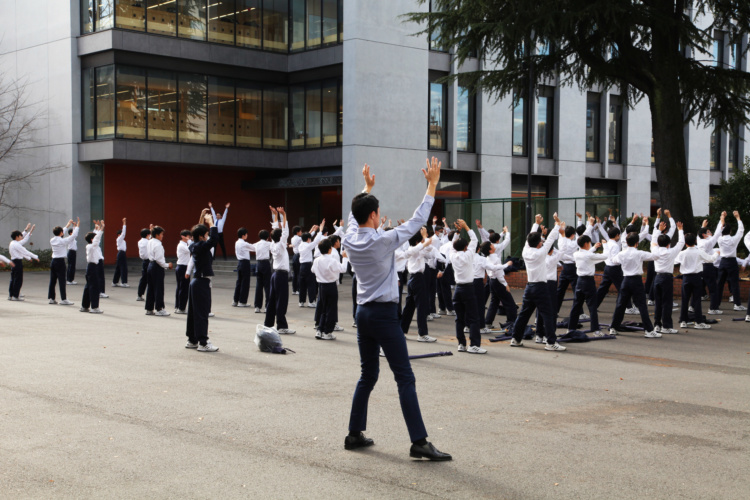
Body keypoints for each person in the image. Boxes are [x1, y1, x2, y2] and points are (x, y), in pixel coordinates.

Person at [343, 158, 451, 461]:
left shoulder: (351, 237)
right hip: (383, 314)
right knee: (404, 377)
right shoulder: (383, 241)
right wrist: (431, 184)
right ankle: (419, 441)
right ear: (375, 215)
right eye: (377, 213)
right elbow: (416, 222)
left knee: (368, 375)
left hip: (363, 314)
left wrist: (367, 188)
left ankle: (354, 433)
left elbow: (355, 216)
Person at [510, 213, 566, 351]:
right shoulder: (541, 253)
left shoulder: (525, 250)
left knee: (524, 314)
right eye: (540, 241)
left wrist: (536, 223)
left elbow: (531, 237)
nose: (542, 242)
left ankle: (515, 339)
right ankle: (551, 343)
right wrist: (557, 224)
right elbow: (551, 238)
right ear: (538, 243)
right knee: (547, 314)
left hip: (529, 287)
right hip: (541, 287)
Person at [608, 232, 659, 337]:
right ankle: (649, 330)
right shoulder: (639, 253)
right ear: (637, 243)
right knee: (642, 306)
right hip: (636, 281)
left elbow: (613, 260)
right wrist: (654, 245)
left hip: (625, 280)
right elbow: (654, 256)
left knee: (620, 305)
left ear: (626, 242)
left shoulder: (622, 253)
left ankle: (613, 327)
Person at [185, 210, 220, 352]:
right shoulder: (201, 245)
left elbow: (197, 233)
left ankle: (192, 340)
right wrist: (211, 223)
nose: (207, 236)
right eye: (205, 234)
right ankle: (203, 342)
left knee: (194, 312)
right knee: (202, 313)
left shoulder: (194, 245)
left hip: (196, 281)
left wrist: (201, 218)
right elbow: (214, 239)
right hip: (201, 282)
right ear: (201, 236)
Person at [565, 235, 608, 336]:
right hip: (588, 282)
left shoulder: (576, 254)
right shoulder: (589, 256)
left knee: (576, 305)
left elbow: (587, 254)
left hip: (579, 281)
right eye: (590, 243)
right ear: (586, 244)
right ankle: (596, 330)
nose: (591, 245)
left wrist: (594, 247)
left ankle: (570, 328)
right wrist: (605, 245)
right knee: (592, 306)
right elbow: (605, 256)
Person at [400, 227, 437, 342]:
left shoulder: (415, 249)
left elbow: (429, 247)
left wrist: (424, 238)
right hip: (417, 279)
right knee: (422, 307)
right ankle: (422, 334)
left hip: (413, 279)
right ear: (417, 242)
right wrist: (425, 236)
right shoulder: (415, 250)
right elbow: (428, 245)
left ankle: (401, 331)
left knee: (409, 307)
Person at [676, 233, 718, 329]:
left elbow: (675, 261)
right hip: (696, 277)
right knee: (697, 300)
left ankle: (683, 321)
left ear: (685, 243)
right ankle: (698, 322)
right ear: (695, 241)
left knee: (685, 300)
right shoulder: (698, 252)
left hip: (686, 277)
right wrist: (716, 253)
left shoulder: (682, 253)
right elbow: (710, 259)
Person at [263, 207, 295, 334]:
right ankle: (281, 326)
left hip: (275, 274)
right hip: (281, 275)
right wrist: (284, 215)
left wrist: (276, 216)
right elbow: (284, 230)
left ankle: (268, 324)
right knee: (281, 301)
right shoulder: (281, 245)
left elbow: (275, 230)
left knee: (272, 300)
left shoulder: (272, 244)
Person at [650, 221, 685, 334]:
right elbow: (681, 242)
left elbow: (653, 241)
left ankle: (657, 325)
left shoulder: (655, 250)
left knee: (658, 303)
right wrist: (680, 229)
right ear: (669, 244)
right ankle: (667, 326)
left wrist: (659, 230)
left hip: (657, 278)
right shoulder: (671, 252)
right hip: (667, 278)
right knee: (667, 303)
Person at [709, 211, 746, 313]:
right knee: (734, 284)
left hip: (722, 262)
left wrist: (722, 218)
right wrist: (738, 218)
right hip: (731, 262)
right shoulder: (733, 240)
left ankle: (716, 306)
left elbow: (718, 230)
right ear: (730, 231)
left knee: (719, 284)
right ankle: (737, 304)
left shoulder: (719, 239)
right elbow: (741, 231)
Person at [311, 239, 349, 340]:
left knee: (323, 308)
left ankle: (320, 329)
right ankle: (327, 331)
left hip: (321, 286)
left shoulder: (317, 260)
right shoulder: (332, 260)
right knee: (331, 309)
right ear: (329, 249)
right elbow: (343, 269)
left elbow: (313, 270)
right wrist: (345, 258)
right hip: (331, 285)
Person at [49, 218, 79, 305]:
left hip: (53, 261)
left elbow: (60, 233)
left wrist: (67, 225)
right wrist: (76, 227)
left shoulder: (52, 240)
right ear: (61, 233)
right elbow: (73, 236)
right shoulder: (62, 241)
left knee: (52, 281)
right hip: (60, 262)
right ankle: (63, 299)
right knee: (62, 281)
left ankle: (51, 298)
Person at [145, 226, 173, 316]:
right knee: (158, 288)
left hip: (150, 265)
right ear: (157, 235)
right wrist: (167, 265)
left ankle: (149, 308)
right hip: (156, 267)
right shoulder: (158, 244)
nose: (162, 236)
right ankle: (159, 308)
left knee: (151, 288)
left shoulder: (150, 241)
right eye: (161, 234)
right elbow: (159, 259)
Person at [697, 218, 724, 310]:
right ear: (704, 235)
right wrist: (721, 220)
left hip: (699, 267)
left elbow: (699, 234)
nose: (710, 233)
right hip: (708, 266)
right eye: (708, 232)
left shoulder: (699, 240)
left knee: (698, 287)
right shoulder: (708, 243)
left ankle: (692, 307)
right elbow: (717, 234)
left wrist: (703, 226)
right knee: (713, 289)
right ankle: (713, 309)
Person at [8, 224, 38, 301]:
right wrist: (35, 257)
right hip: (17, 263)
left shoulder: (12, 243)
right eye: (20, 236)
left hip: (13, 262)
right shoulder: (17, 245)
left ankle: (11, 295)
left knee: (13, 279)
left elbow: (24, 239)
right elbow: (25, 251)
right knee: (18, 280)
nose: (22, 237)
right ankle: (15, 296)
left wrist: (28, 230)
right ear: (17, 237)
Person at [80, 221, 104, 314]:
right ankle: (94, 307)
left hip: (92, 267)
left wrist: (97, 229)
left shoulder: (92, 246)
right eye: (94, 238)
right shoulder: (90, 246)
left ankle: (85, 306)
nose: (97, 240)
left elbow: (97, 239)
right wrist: (101, 229)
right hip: (92, 267)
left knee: (88, 287)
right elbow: (96, 240)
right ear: (91, 240)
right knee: (94, 287)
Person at [298, 223, 324, 307]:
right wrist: (320, 230)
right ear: (308, 239)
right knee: (311, 284)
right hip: (308, 266)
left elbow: (307, 237)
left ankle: (301, 301)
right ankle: (311, 301)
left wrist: (313, 230)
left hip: (301, 266)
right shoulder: (308, 246)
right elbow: (316, 240)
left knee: (302, 284)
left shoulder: (301, 244)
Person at [253, 222, 274, 314]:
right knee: (267, 286)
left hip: (258, 264)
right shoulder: (268, 244)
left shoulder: (256, 244)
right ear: (267, 237)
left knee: (259, 285)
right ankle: (267, 306)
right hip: (266, 263)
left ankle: (257, 306)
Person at [233, 227, 255, 308]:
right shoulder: (244, 244)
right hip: (245, 263)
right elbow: (253, 247)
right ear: (243, 235)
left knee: (239, 282)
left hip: (239, 263)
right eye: (246, 234)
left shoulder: (237, 242)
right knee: (245, 283)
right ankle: (242, 301)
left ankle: (235, 300)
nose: (247, 235)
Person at [174, 229, 192, 314]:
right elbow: (191, 249)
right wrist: (190, 241)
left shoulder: (185, 244)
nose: (190, 238)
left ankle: (178, 306)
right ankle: (181, 307)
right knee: (183, 289)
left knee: (181, 288)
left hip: (182, 267)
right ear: (183, 236)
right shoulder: (182, 245)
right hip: (182, 267)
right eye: (188, 236)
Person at [136, 226, 152, 301]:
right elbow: (151, 241)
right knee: (151, 279)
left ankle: (140, 294)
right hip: (149, 261)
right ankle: (151, 295)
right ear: (147, 235)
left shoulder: (140, 241)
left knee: (144, 279)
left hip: (144, 261)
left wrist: (151, 230)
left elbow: (149, 239)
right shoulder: (148, 242)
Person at [112, 218, 129, 288]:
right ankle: (123, 282)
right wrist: (124, 223)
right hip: (121, 253)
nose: (122, 235)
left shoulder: (122, 241)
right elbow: (124, 233)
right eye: (121, 234)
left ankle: (114, 282)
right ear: (119, 235)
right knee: (123, 268)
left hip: (122, 254)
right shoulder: (119, 239)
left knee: (118, 268)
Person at [290, 225, 303, 295]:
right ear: (297, 232)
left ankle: (294, 289)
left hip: (295, 256)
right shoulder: (299, 239)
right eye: (300, 231)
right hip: (298, 256)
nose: (301, 232)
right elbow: (306, 238)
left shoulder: (292, 238)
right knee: (298, 273)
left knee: (295, 273)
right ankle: (298, 289)